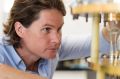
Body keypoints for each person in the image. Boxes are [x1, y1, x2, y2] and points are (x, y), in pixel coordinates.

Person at [0, 0, 111, 79]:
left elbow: (97, 42)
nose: (57, 40)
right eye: (46, 29)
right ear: (20, 29)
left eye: (59, 29)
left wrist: (115, 24)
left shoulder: (52, 49)